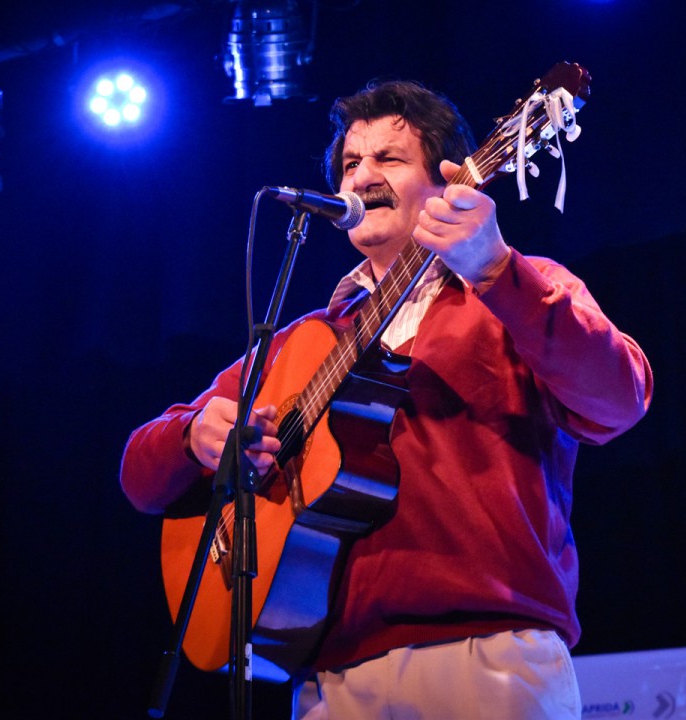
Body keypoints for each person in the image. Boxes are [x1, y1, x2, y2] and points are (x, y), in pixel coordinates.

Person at [120, 79, 653, 719]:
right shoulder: (302, 342)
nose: (363, 175)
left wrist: (495, 270)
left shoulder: (520, 287)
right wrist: (194, 438)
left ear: (448, 181)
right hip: (326, 675)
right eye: (351, 163)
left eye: (389, 158)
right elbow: (140, 476)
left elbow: (619, 399)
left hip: (488, 654)